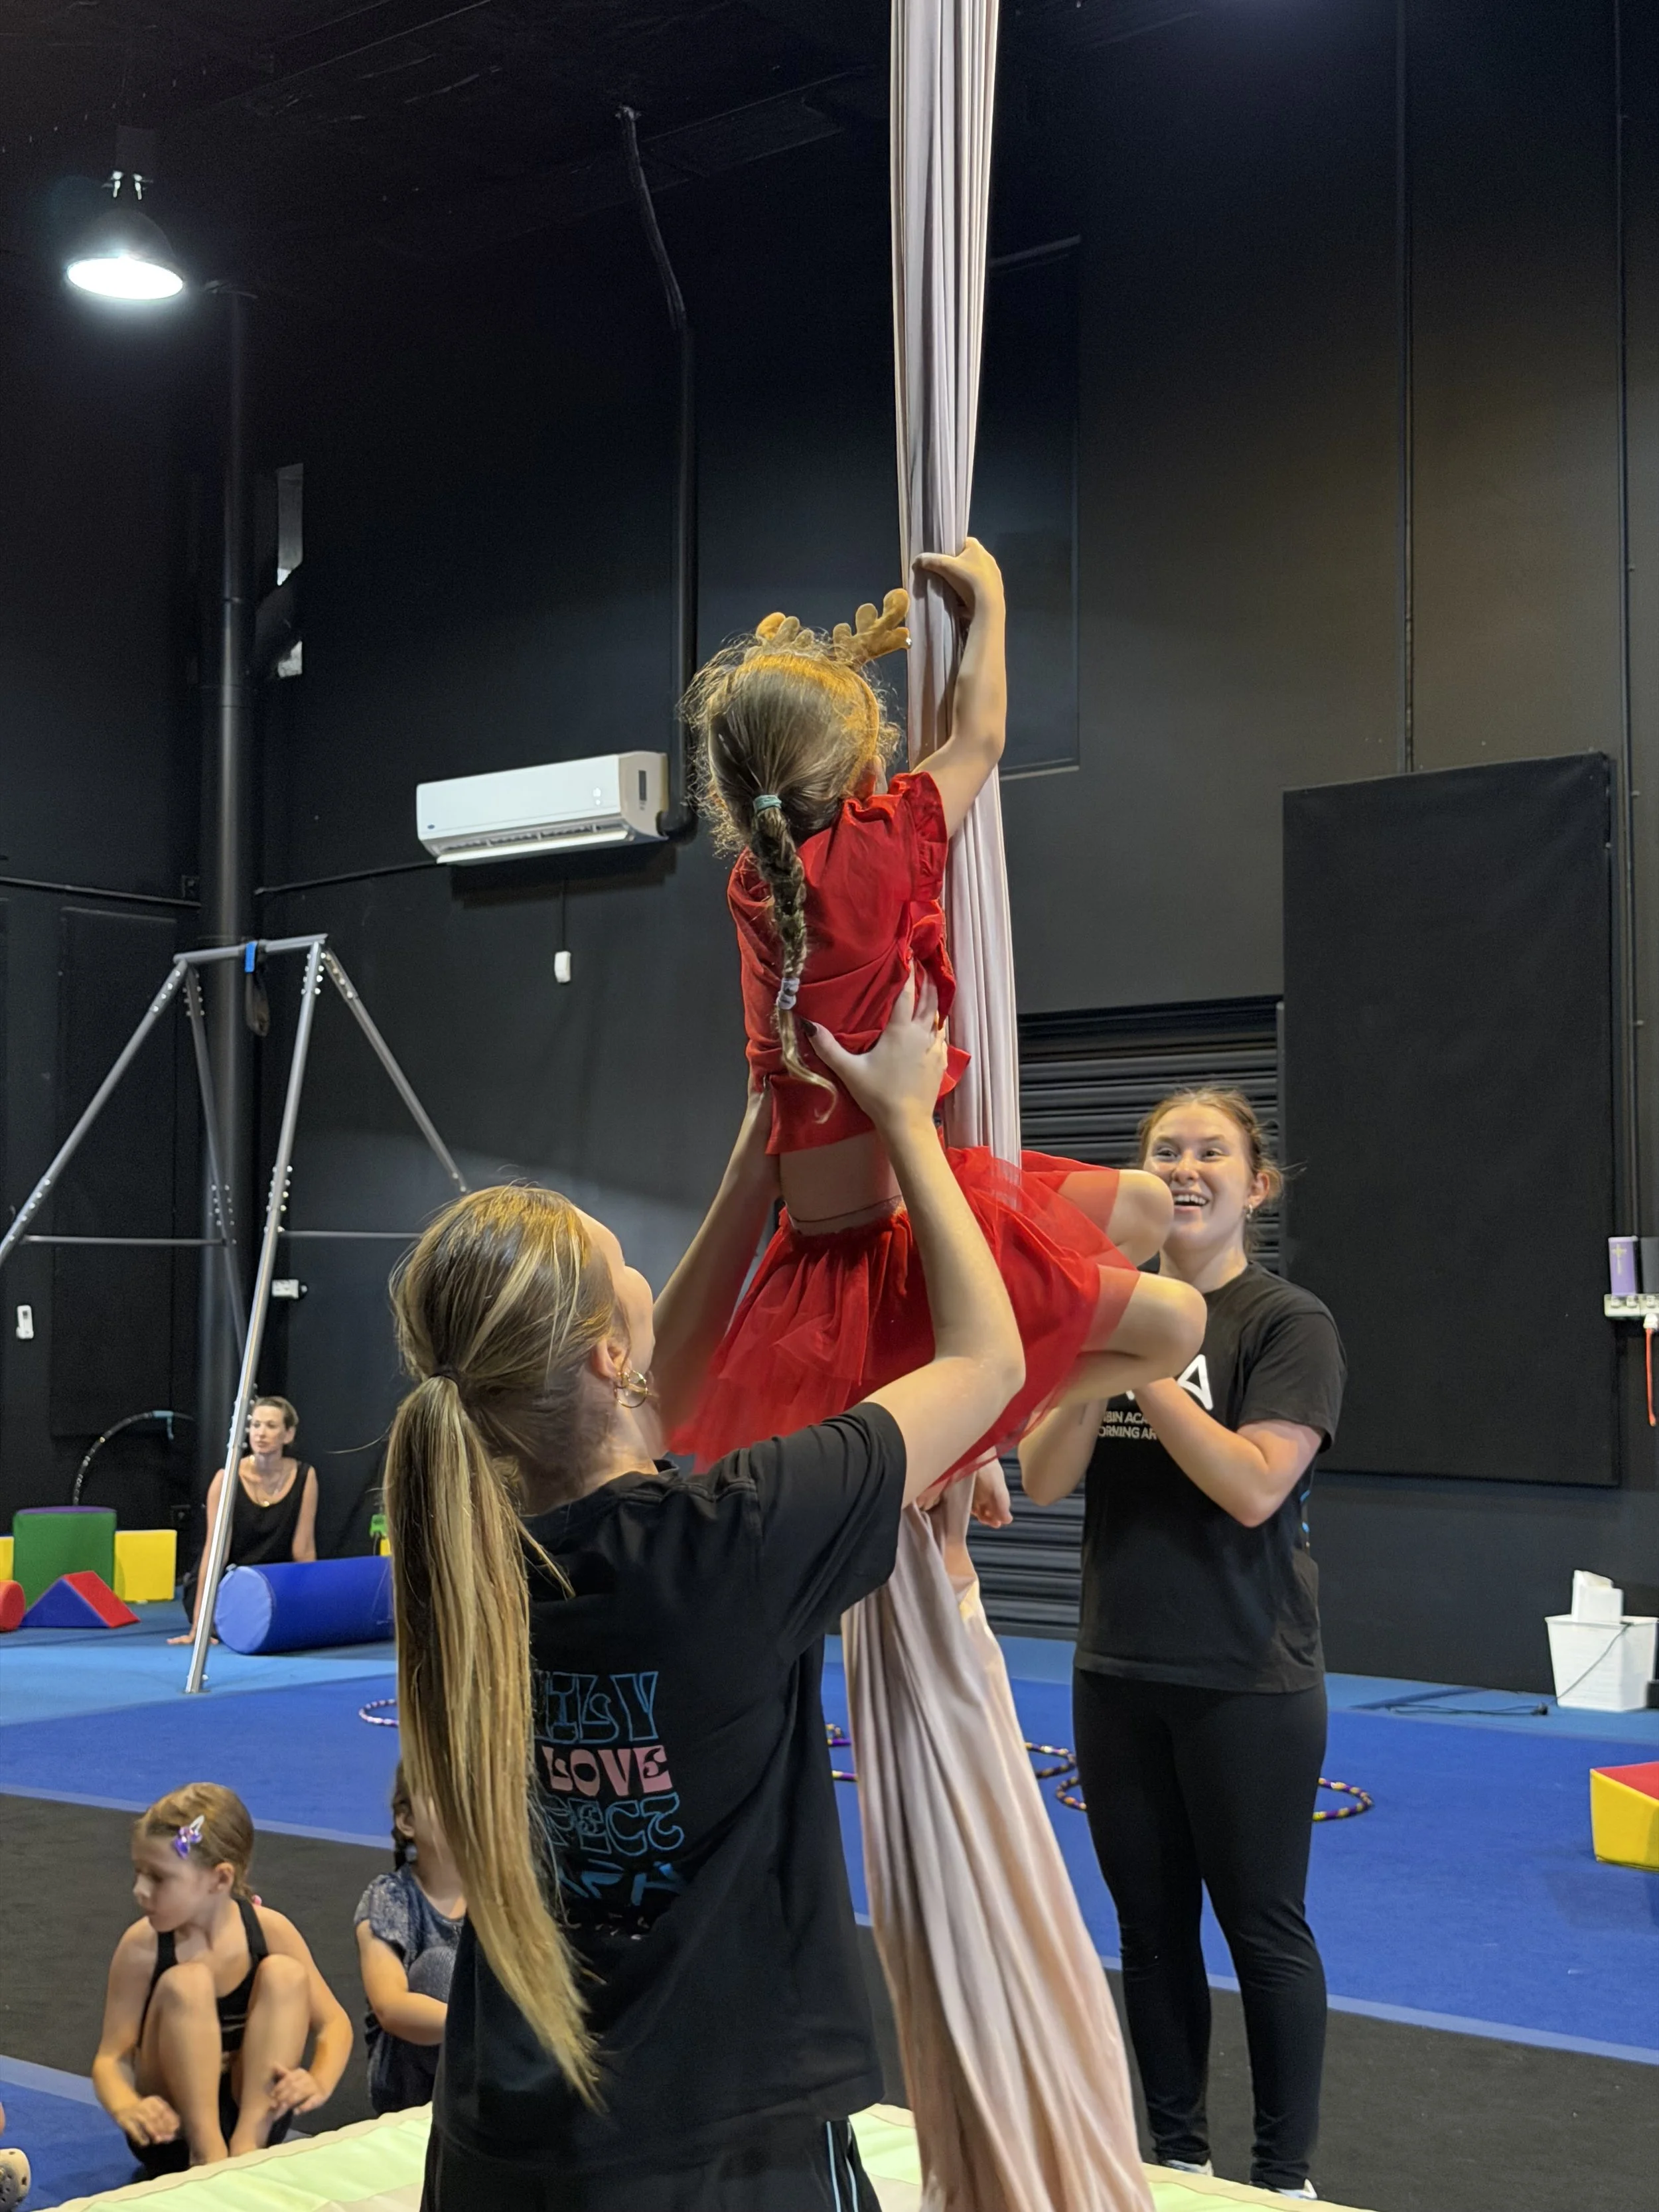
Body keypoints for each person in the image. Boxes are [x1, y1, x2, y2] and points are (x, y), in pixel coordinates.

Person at [385, 977, 1025, 2209]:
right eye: (626, 1261)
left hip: (503, 2142)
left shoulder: (461, 1551)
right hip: (721, 2146)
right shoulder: (735, 1542)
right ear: (606, 1355)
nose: (642, 1269)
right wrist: (904, 1121)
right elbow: (986, 1360)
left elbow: (637, 1411)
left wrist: (761, 1141)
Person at [671, 544, 1204, 1487]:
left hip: (864, 1222)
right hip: (885, 1245)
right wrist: (992, 604)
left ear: (729, 798)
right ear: (863, 758)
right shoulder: (881, 844)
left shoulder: (754, 887)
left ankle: (997, 1412)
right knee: (1180, 1318)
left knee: (1150, 1209)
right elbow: (979, 738)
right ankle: (991, 1423)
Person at [1019, 1088, 1347, 2201]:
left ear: (1258, 1183)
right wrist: (1110, 1339)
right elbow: (1047, 1474)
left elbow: (1256, 1486)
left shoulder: (1286, 1323)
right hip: (1117, 1672)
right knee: (1150, 1932)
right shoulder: (1106, 1319)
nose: (1190, 1167)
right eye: (1168, 1152)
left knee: (1262, 1930)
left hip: (1247, 1677)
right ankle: (1175, 2157)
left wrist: (1151, 1357)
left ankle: (1281, 2178)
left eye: (1216, 1151)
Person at [92, 1782, 352, 2170]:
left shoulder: (269, 1931)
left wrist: (318, 2081)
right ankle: (207, 2152)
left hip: (255, 2114)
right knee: (187, 1983)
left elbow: (334, 2023)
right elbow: (110, 2058)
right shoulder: (143, 1946)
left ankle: (249, 2146)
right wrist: (129, 2107)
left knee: (285, 1975)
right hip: (171, 2131)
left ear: (220, 1879)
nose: (140, 1891)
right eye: (138, 1873)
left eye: (159, 1878)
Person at [354, 1762, 465, 2114]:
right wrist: (481, 2023)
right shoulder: (391, 1896)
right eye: (446, 1795)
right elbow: (391, 2006)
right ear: (407, 1821)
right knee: (440, 1967)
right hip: (409, 2083)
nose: (463, 1804)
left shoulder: (499, 1895)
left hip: (481, 2061)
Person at [171, 1397, 319, 1645]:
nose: (261, 1433)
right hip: (230, 1581)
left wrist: (312, 1607)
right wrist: (200, 1623)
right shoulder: (226, 1479)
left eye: (271, 1426)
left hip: (273, 1582)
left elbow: (303, 1550)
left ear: (288, 1434)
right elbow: (215, 1553)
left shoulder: (306, 1476)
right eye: (256, 1425)